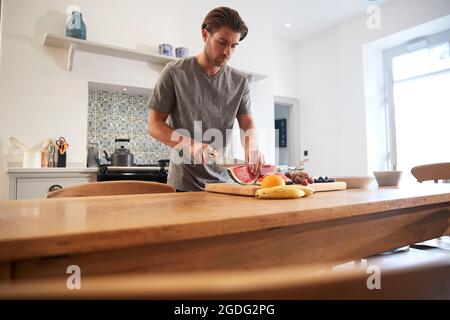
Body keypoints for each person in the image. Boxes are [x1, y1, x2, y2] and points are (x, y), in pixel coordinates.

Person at [148, 6, 264, 191]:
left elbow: (247, 123)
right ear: (204, 35)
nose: (227, 52)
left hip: (224, 185)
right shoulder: (174, 72)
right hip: (182, 185)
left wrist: (253, 148)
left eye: (234, 45)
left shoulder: (240, 81)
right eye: (222, 42)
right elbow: (154, 124)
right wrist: (189, 144)